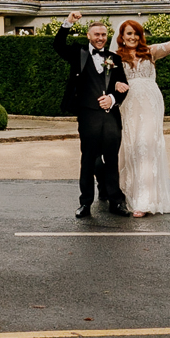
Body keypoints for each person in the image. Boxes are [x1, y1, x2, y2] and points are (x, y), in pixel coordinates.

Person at [112, 17, 170, 217]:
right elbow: (107, 80)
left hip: (151, 103)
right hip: (129, 105)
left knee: (148, 146)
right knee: (131, 146)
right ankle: (130, 194)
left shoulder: (150, 52)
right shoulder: (115, 57)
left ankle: (146, 200)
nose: (132, 37)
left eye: (136, 33)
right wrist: (114, 85)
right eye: (128, 33)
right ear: (122, 36)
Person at [53, 11, 130, 218]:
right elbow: (58, 45)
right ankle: (85, 203)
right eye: (96, 34)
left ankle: (116, 202)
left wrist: (113, 98)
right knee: (88, 160)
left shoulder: (114, 59)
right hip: (87, 116)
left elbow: (123, 86)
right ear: (88, 35)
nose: (100, 38)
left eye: (103, 35)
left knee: (112, 159)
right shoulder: (78, 53)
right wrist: (68, 22)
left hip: (111, 117)